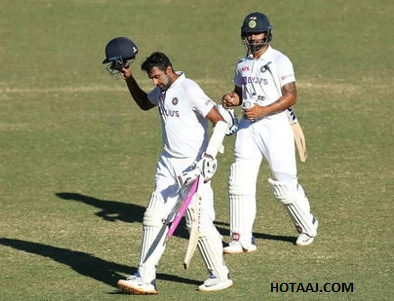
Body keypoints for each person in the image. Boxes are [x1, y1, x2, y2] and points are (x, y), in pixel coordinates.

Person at [103, 40, 235, 294]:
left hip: (193, 167)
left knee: (198, 223)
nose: (155, 82)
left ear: (169, 69)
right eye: (151, 79)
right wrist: (128, 77)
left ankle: (220, 275)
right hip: (168, 164)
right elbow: (144, 103)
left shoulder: (189, 89)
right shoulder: (162, 90)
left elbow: (221, 123)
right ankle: (144, 277)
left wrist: (208, 159)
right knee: (153, 217)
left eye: (157, 77)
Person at [220, 12, 318, 254]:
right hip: (248, 126)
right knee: (239, 180)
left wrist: (263, 110)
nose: (253, 37)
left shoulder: (279, 61)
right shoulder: (242, 64)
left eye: (257, 32)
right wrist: (233, 98)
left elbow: (291, 96)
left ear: (267, 33)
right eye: (249, 33)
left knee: (284, 183)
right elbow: (240, 93)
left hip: (275, 126)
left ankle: (307, 225)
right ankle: (240, 238)